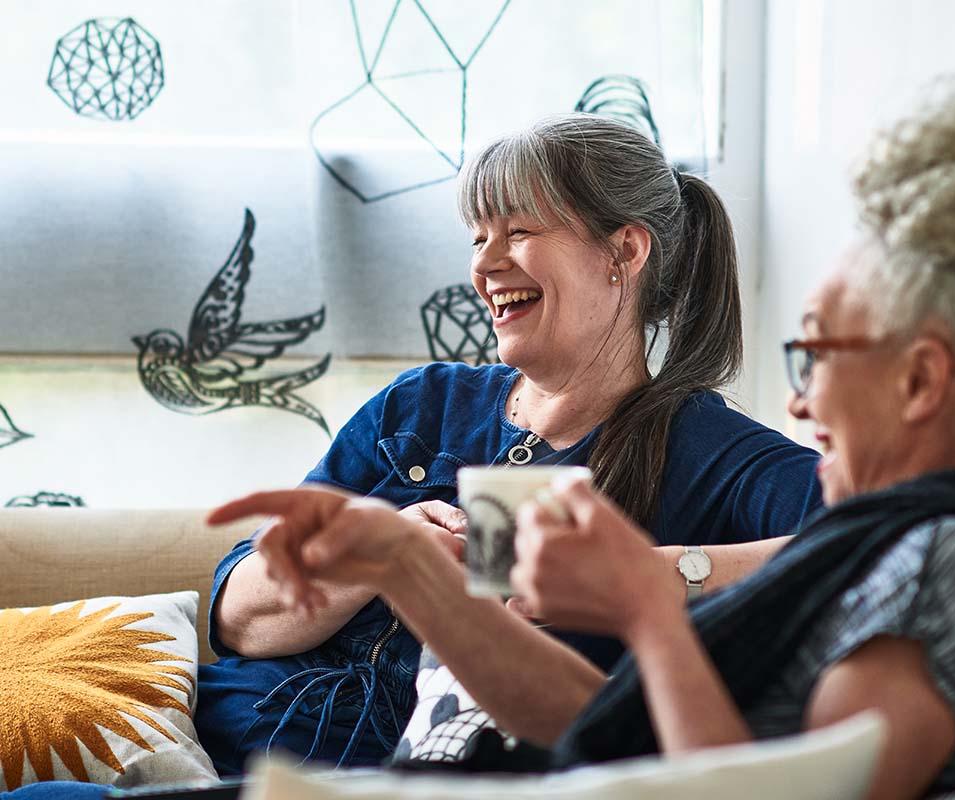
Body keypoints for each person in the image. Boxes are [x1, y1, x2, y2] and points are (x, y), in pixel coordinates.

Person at [214, 64, 955, 800]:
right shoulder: (897, 551)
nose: (798, 403)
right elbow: (616, 731)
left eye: (816, 359)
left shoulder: (948, 568)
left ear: (920, 380)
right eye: (477, 234)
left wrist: (647, 600)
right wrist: (408, 566)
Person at [194, 114, 822, 775]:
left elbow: (890, 533)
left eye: (518, 232)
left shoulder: (701, 448)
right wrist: (380, 549)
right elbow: (236, 615)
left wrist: (657, 576)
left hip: (362, 778)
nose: (485, 266)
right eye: (478, 238)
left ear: (624, 252)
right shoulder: (423, 406)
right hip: (205, 743)